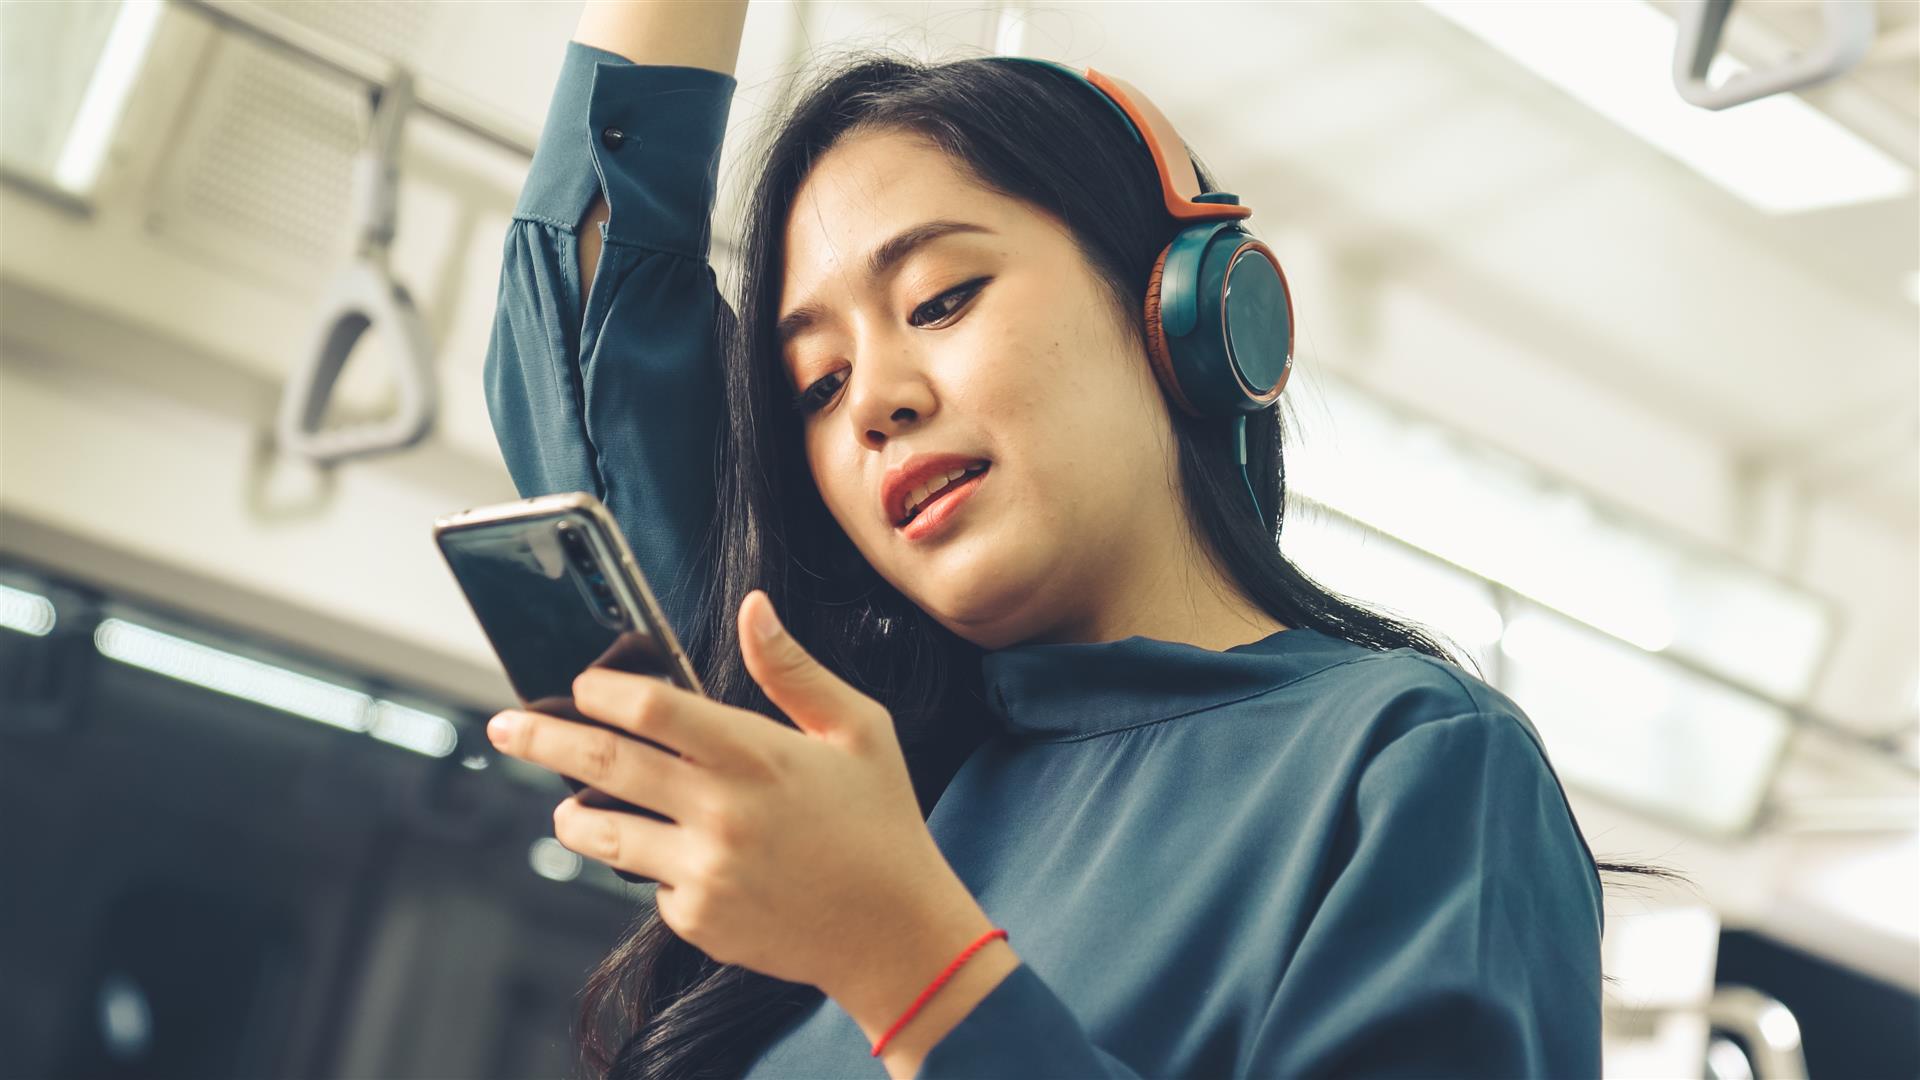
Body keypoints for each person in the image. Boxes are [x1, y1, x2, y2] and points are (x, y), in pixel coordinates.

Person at [483, 3, 1679, 1077]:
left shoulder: (1404, 766)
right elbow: (593, 315)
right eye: (816, 381)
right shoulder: (861, 773)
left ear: (1185, 310)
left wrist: (914, 969)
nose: (872, 402)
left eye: (941, 300)